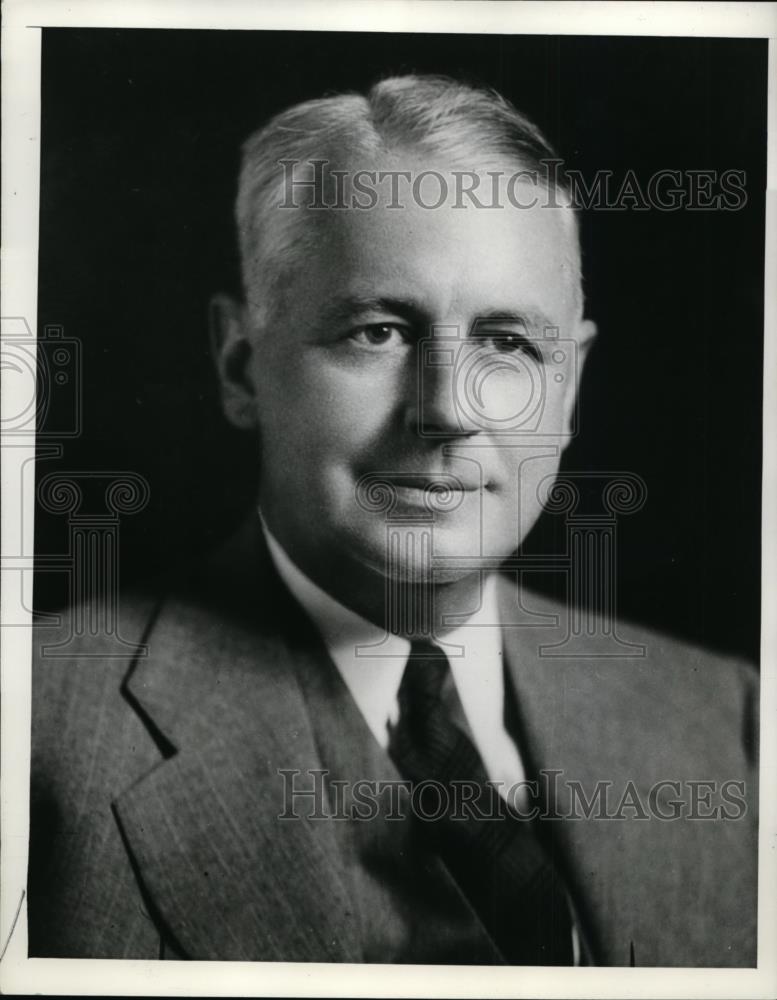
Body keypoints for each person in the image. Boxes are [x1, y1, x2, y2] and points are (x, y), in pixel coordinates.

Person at [28, 74, 758, 966]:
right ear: (240, 365)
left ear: (565, 388)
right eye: (377, 331)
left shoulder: (734, 728)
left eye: (507, 343)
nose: (448, 409)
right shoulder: (32, 739)